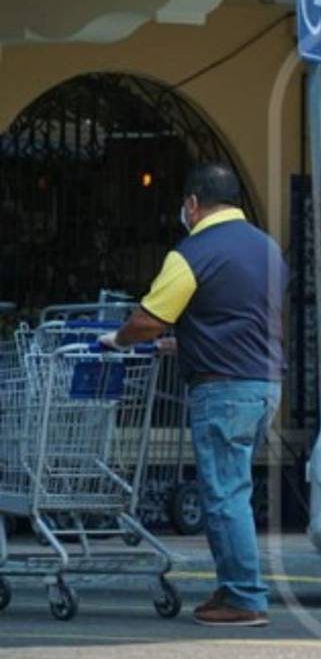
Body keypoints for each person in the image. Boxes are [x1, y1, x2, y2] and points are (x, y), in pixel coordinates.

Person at [101, 163, 287, 628]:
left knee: (225, 495)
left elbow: (149, 317)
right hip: (264, 386)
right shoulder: (268, 249)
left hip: (222, 387)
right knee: (231, 489)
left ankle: (245, 596)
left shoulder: (192, 252)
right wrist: (184, 341)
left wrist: (117, 340)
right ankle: (231, 587)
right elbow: (242, 318)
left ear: (192, 204)